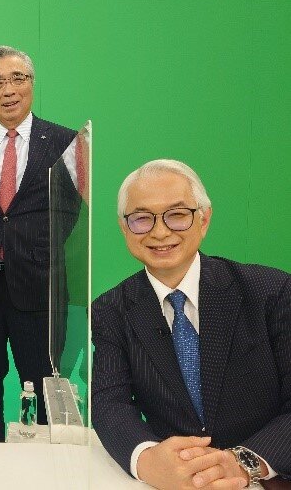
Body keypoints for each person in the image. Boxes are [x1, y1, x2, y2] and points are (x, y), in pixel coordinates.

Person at [92, 159, 291, 489]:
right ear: (124, 228)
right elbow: (109, 403)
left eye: (177, 214)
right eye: (141, 218)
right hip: (177, 481)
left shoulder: (272, 291)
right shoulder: (110, 310)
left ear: (204, 219)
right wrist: (148, 461)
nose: (160, 232)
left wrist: (243, 463)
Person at [0, 45, 81, 441]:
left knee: (42, 386)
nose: (8, 90)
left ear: (31, 84)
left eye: (17, 79)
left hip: (39, 286)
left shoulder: (65, 141)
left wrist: (32, 249)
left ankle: (41, 465)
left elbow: (70, 211)